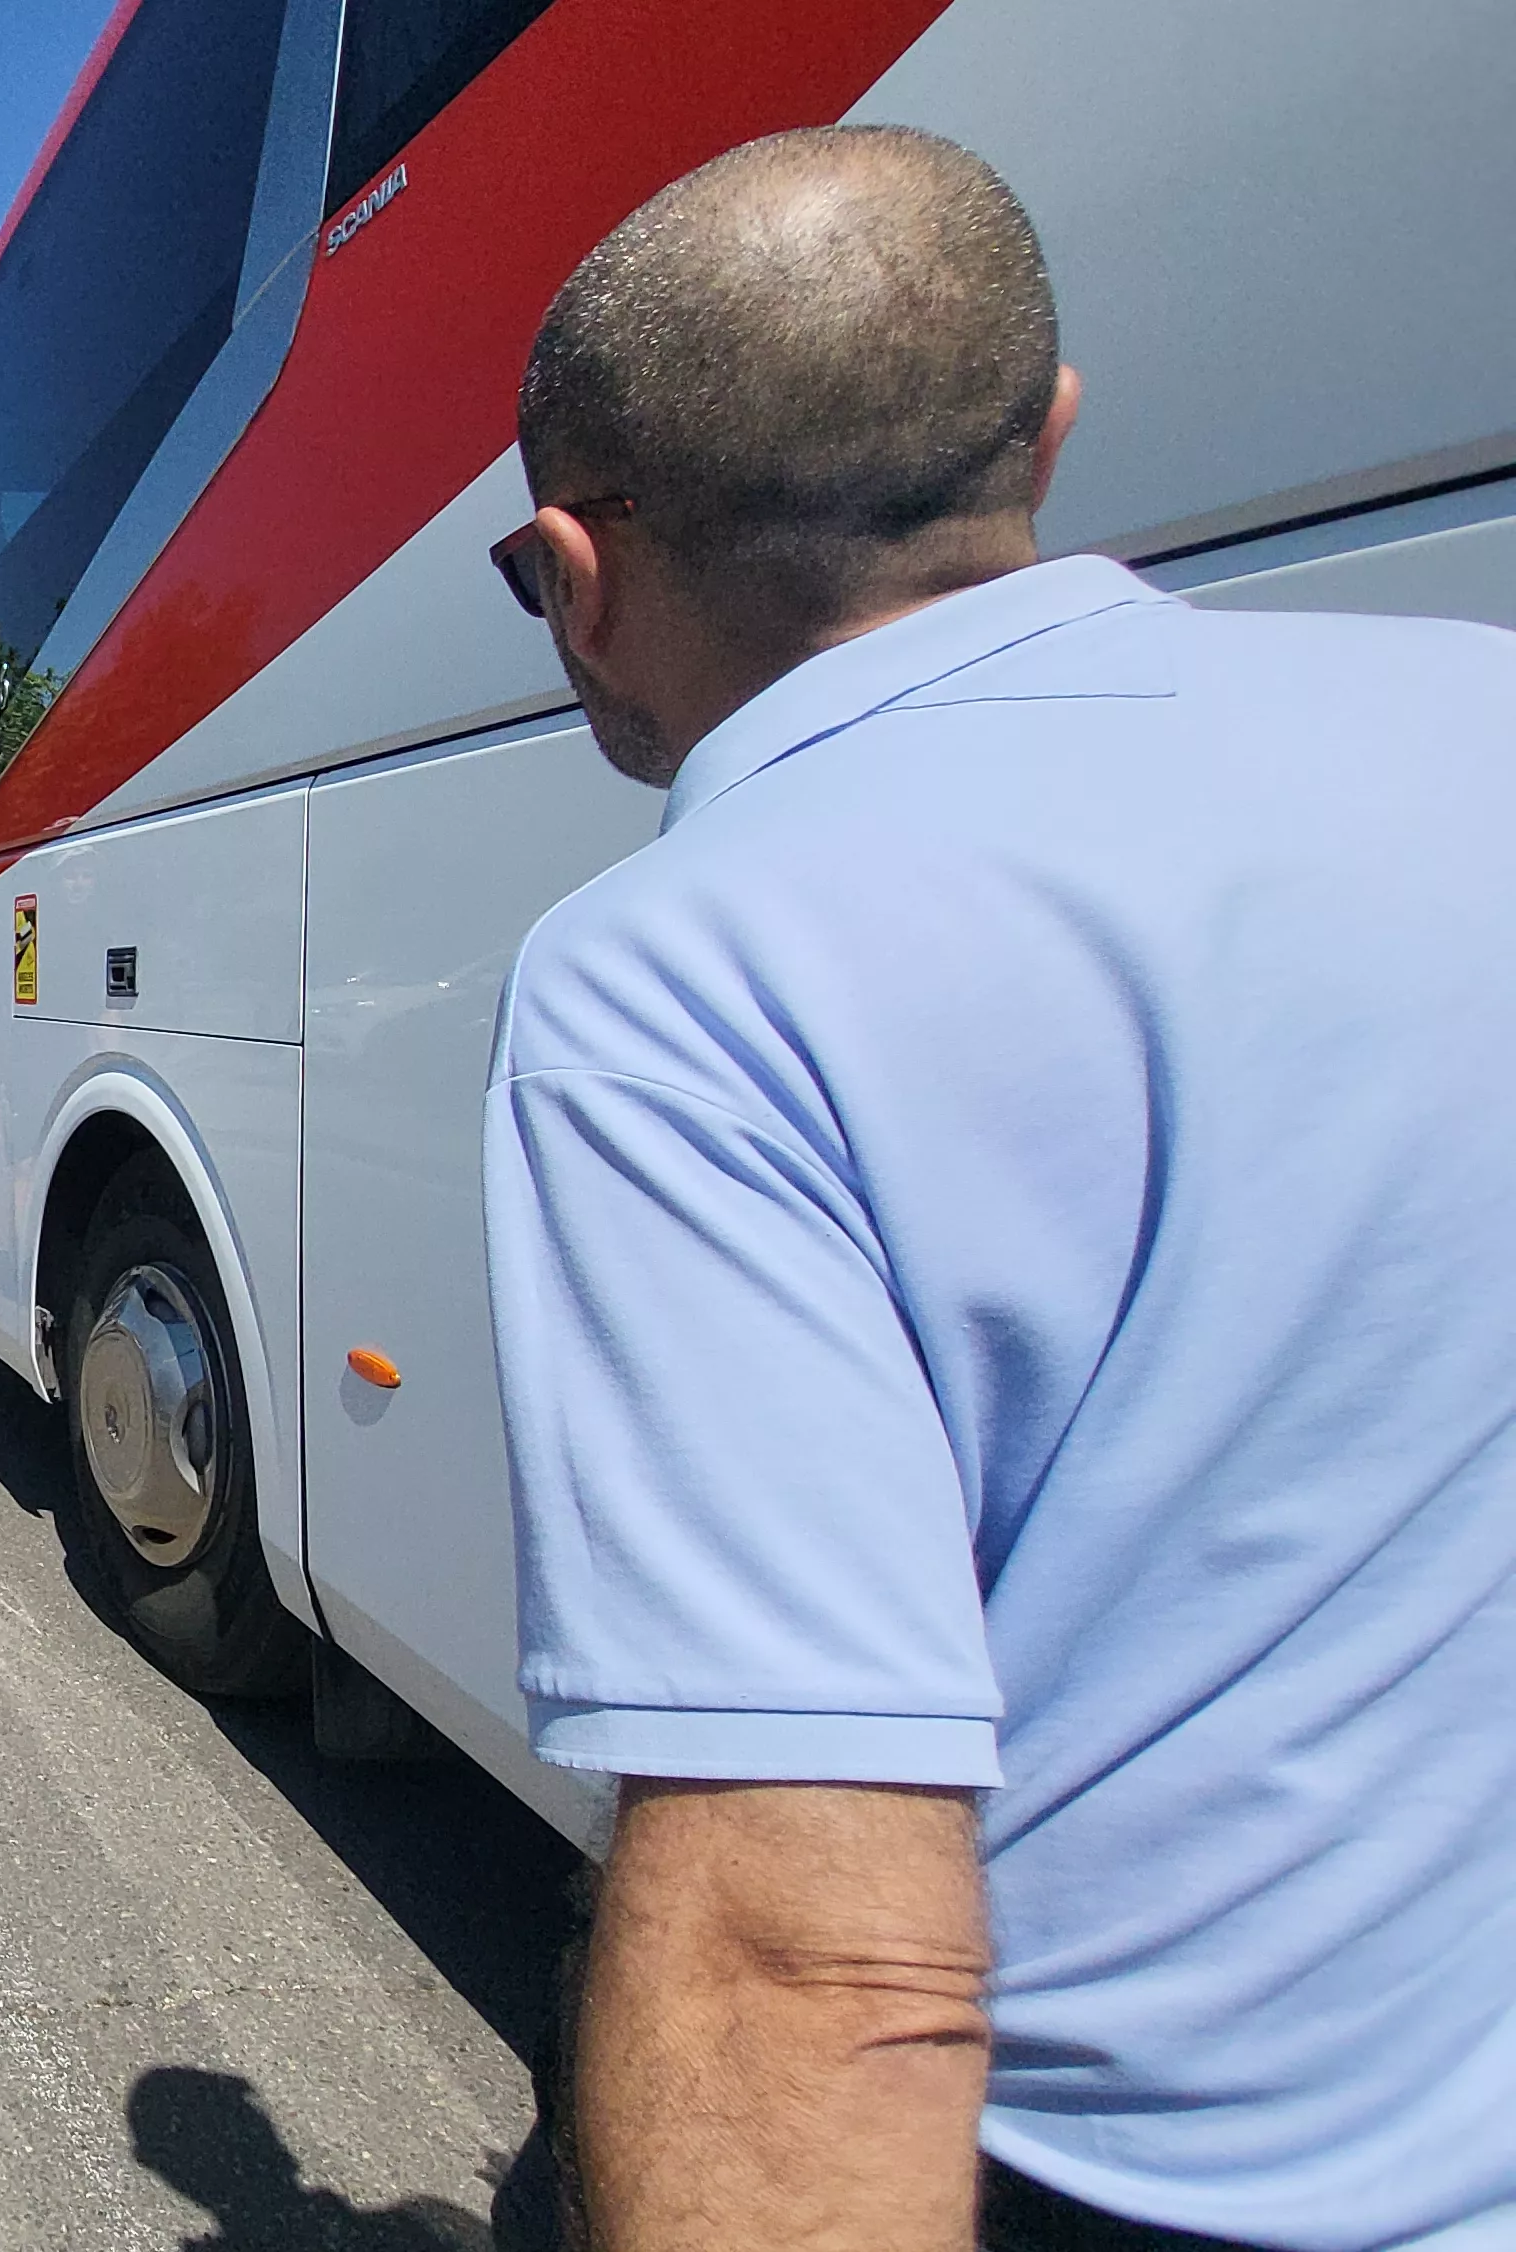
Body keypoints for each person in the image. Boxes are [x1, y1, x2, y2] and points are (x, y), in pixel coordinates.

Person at [480, 128, 1515, 2252]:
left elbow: (801, 1944)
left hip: (1142, 2184)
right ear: (1044, 435)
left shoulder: (683, 964)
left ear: (576, 574)